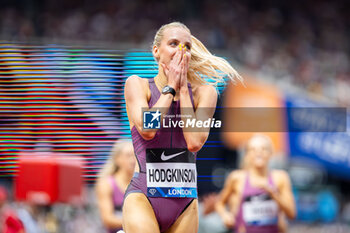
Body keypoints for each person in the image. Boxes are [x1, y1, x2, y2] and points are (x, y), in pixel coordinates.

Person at [122, 21, 242, 233]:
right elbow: (148, 129)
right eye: (173, 43)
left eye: (186, 46)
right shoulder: (137, 85)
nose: (180, 50)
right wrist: (169, 88)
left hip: (184, 201)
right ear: (156, 51)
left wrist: (183, 90)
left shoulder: (205, 93)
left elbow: (194, 142)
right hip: (143, 196)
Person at [215, 134, 296, 233]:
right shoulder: (237, 178)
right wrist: (225, 215)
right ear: (247, 155)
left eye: (263, 149)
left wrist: (275, 195)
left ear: (271, 153)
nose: (259, 153)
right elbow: (219, 202)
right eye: (253, 149)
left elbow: (292, 214)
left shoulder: (280, 178)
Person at [95, 140, 135, 233]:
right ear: (117, 159)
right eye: (128, 155)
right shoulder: (106, 184)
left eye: (135, 155)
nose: (133, 160)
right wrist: (136, 222)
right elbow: (107, 219)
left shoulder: (142, 183)